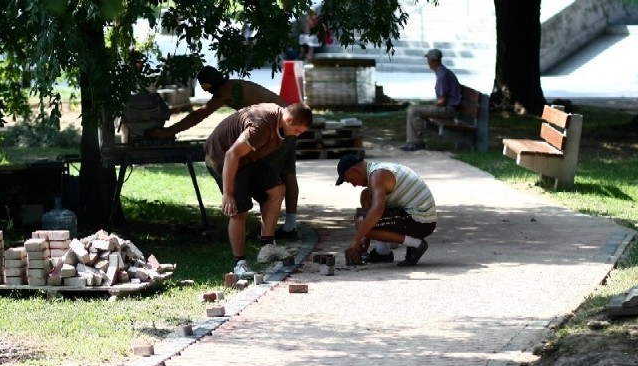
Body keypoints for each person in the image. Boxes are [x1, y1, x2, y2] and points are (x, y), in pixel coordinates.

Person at [146, 66, 301, 238]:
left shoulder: (226, 90)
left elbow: (201, 114)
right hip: (288, 123)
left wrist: (167, 132)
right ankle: (290, 226)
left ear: (208, 86)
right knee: (287, 173)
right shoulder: (234, 86)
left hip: (278, 126)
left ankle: (266, 232)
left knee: (266, 177)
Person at [205, 102, 313, 278]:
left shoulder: (280, 123)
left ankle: (267, 247)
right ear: (289, 119)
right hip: (222, 159)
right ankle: (239, 264)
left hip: (247, 160)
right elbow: (231, 154)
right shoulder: (261, 126)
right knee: (238, 211)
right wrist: (228, 193)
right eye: (298, 131)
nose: (297, 135)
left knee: (277, 190)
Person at [335, 154, 436, 267]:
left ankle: (417, 244)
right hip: (417, 217)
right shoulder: (377, 169)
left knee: (361, 222)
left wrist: (357, 239)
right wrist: (365, 235)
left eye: (350, 180)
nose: (353, 185)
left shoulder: (377, 175)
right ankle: (382, 252)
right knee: (366, 196)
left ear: (354, 171)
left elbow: (377, 211)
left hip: (422, 221)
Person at [402, 48, 462, 152]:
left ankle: (415, 143)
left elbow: (442, 101)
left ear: (433, 61)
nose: (427, 62)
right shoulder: (442, 72)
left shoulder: (442, 75)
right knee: (414, 109)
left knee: (413, 110)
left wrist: (432, 105)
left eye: (428, 60)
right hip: (449, 107)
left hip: (448, 110)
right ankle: (415, 141)